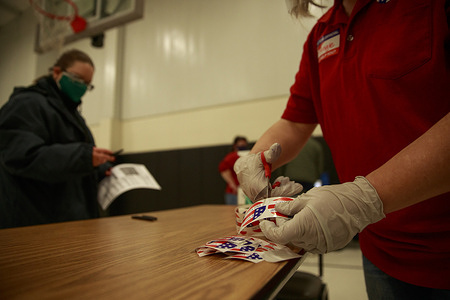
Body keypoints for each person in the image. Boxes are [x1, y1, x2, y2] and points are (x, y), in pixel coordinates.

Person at [234, 0, 450, 299]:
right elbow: (295, 123)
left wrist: (363, 199)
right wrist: (256, 159)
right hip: (379, 246)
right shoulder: (322, 32)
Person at [0, 49, 116, 229]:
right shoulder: (26, 104)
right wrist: (84, 158)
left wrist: (98, 168)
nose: (82, 87)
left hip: (69, 220)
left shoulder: (72, 115)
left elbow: (73, 161)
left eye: (87, 84)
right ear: (56, 72)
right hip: (35, 221)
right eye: (77, 79)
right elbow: (22, 157)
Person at [218, 136, 249, 205]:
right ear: (235, 146)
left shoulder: (246, 155)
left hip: (244, 192)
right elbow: (222, 168)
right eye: (241, 145)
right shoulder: (233, 156)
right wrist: (233, 184)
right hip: (234, 193)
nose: (243, 147)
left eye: (244, 145)